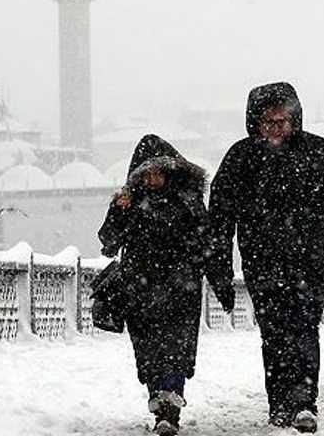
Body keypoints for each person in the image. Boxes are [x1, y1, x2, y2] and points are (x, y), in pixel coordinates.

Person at [206, 82, 324, 433]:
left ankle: (303, 402)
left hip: (309, 260)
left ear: (294, 120)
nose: (277, 129)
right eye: (269, 122)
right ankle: (279, 403)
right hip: (261, 261)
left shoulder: (318, 152)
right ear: (256, 123)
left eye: (282, 121)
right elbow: (219, 217)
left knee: (304, 328)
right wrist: (219, 266)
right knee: (274, 331)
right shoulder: (240, 159)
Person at [98, 134, 227, 436]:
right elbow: (108, 241)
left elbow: (208, 245)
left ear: (171, 171)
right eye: (147, 173)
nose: (153, 179)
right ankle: (159, 400)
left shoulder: (188, 203)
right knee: (149, 352)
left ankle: (169, 408)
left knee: (176, 351)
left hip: (181, 290)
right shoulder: (130, 203)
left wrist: (221, 282)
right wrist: (119, 209)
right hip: (140, 291)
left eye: (159, 171)